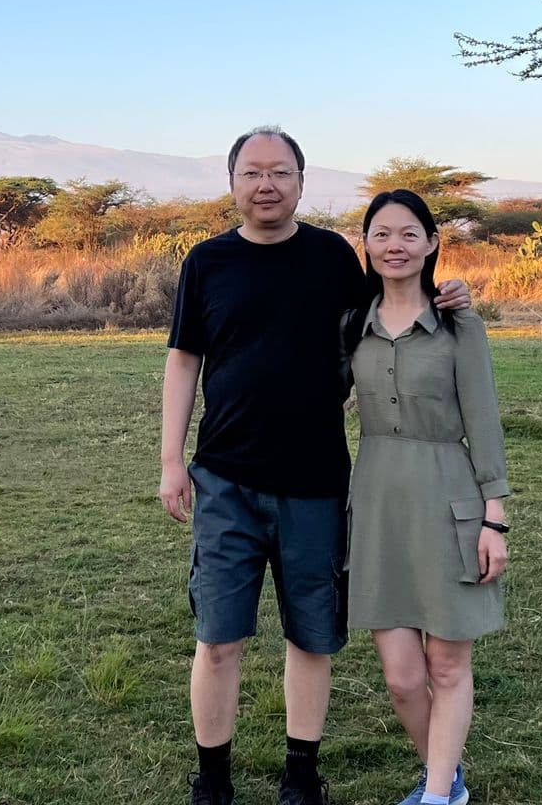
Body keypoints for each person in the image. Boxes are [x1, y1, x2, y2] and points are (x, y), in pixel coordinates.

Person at [159, 128, 468, 805]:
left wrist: (449, 293)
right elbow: (184, 360)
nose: (266, 184)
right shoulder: (206, 262)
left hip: (318, 482)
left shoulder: (331, 256)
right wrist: (171, 461)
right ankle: (212, 781)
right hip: (223, 481)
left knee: (312, 638)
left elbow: (395, 298)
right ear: (233, 182)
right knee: (218, 641)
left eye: (280, 172)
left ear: (301, 181)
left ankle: (302, 775)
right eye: (252, 172)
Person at [342, 190, 507, 805]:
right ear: (366, 244)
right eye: (382, 234)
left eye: (410, 234)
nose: (395, 246)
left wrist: (495, 517)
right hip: (378, 502)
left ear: (432, 243)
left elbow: (485, 424)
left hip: (449, 500)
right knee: (403, 677)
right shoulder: (349, 322)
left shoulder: (460, 325)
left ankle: (438, 796)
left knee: (446, 665)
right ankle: (448, 773)